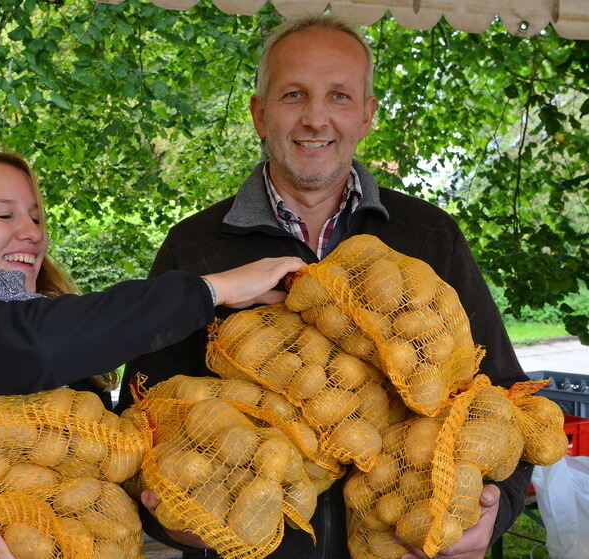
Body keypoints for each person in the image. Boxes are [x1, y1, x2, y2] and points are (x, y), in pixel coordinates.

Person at [117, 15, 532, 559]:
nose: (315, 118)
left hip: (408, 544)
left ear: (366, 114)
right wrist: (178, 524)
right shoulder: (195, 249)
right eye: (293, 95)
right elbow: (142, 422)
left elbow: (504, 397)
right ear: (260, 113)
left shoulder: (429, 236)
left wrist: (493, 515)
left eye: (338, 95)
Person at [0, 151, 304, 559]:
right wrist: (211, 289)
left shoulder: (69, 358)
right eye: (4, 214)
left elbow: (93, 486)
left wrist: (177, 515)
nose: (30, 231)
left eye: (35, 216)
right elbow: (27, 347)